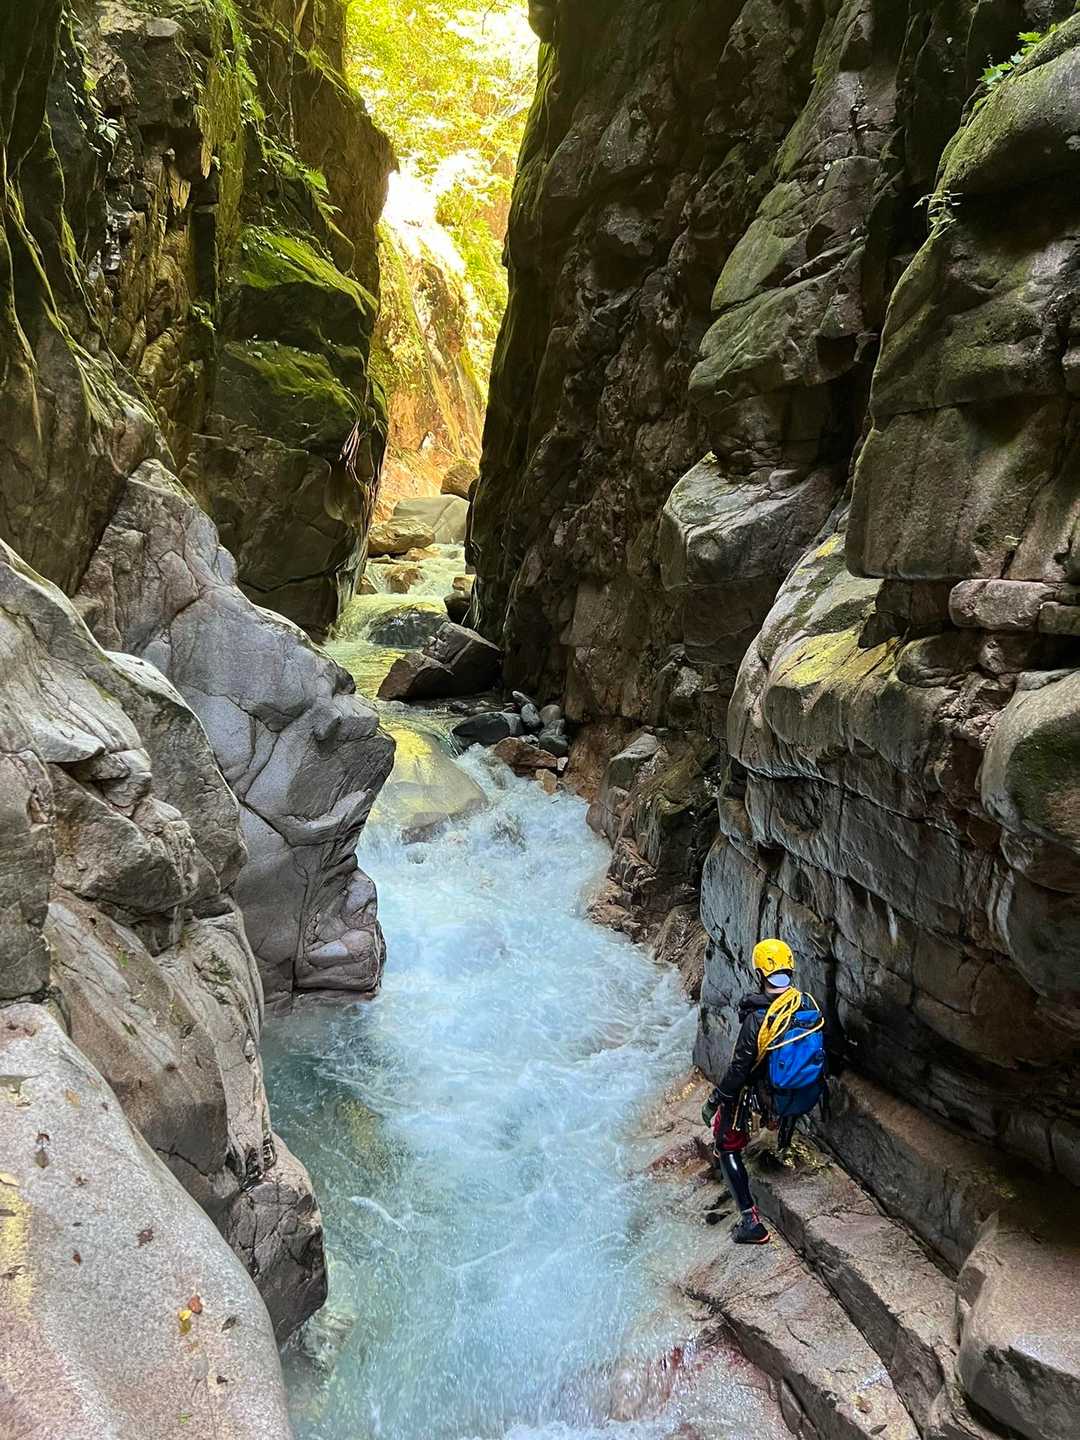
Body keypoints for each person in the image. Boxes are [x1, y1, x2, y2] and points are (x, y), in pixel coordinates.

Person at [701, 938, 825, 1245]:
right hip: (795, 1092)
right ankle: (781, 1138)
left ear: (760, 973)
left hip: (760, 1095)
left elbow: (739, 1069)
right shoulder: (806, 1004)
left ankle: (751, 1222)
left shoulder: (758, 1018)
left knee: (726, 1144)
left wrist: (715, 1100)